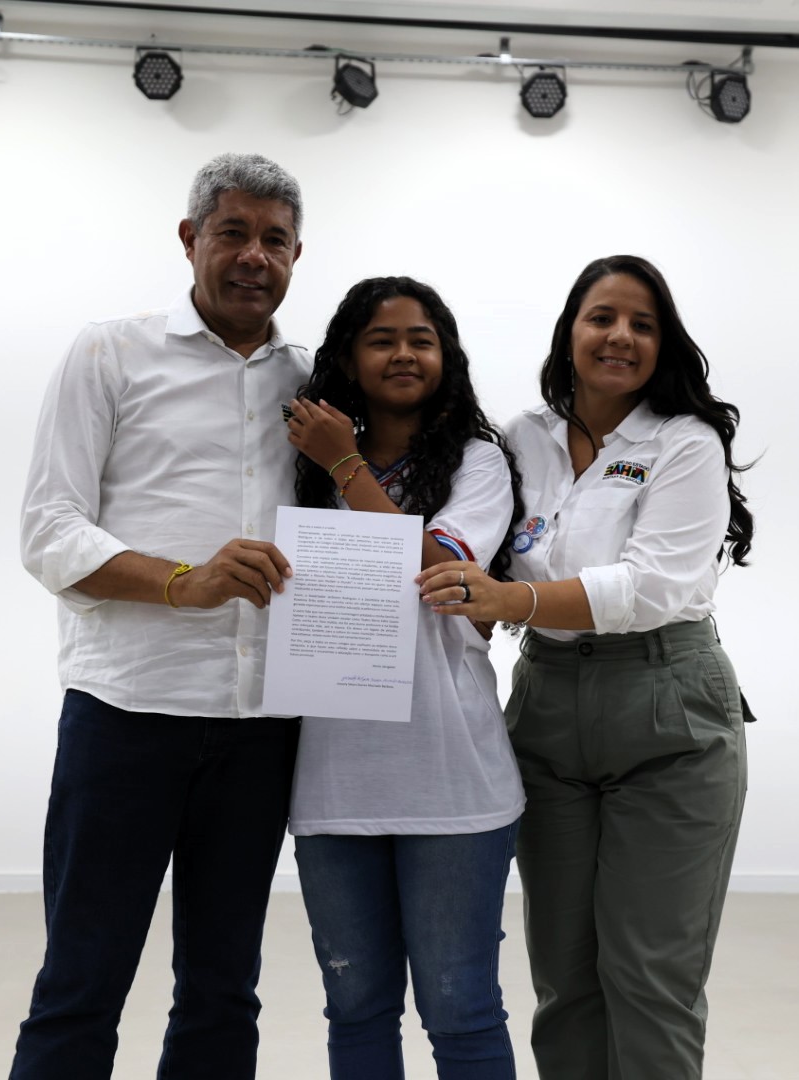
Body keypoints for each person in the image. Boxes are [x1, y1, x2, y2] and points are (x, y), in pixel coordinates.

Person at [418, 255, 753, 1080]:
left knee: (649, 979)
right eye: (602, 317)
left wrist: (512, 600)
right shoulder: (520, 438)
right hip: (547, 706)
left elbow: (651, 587)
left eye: (643, 324)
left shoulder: (685, 442)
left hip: (667, 706)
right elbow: (469, 548)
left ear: (664, 344)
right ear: (570, 330)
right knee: (565, 981)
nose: (620, 337)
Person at [12, 153, 310, 1080]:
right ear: (190, 239)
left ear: (297, 255)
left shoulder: (314, 383)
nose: (254, 256)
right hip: (125, 718)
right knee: (81, 982)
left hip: (261, 728)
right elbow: (49, 530)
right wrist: (187, 581)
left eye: (274, 240)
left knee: (223, 991)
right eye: (234, 232)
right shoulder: (110, 352)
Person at [284, 275, 526, 1080]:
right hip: (332, 780)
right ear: (348, 359)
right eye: (381, 339)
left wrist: (344, 463)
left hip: (453, 779)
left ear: (446, 355)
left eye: (422, 339)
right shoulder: (299, 468)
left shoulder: (478, 462)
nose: (404, 353)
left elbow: (440, 577)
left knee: (461, 1010)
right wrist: (333, 462)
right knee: (355, 1007)